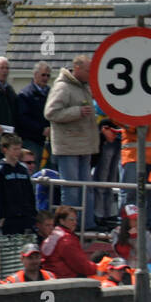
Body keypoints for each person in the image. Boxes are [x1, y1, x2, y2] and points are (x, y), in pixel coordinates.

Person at [43, 54, 100, 229]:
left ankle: (86, 226)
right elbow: (50, 113)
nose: (91, 74)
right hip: (68, 147)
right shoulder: (63, 87)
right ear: (77, 69)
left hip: (84, 146)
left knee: (86, 189)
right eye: (88, 70)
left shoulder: (84, 87)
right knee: (72, 189)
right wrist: (77, 111)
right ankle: (68, 228)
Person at [40, 205, 97, 278]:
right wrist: (98, 268)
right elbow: (82, 266)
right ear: (61, 221)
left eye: (75, 220)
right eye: (71, 219)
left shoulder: (53, 235)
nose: (75, 223)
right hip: (65, 280)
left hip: (53, 278)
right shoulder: (66, 240)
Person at [0, 132, 38, 234]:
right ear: (5, 149)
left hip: (25, 216)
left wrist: (33, 213)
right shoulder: (1, 170)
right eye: (14, 149)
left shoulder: (23, 169)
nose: (17, 152)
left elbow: (30, 193)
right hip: (8, 218)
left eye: (19, 149)